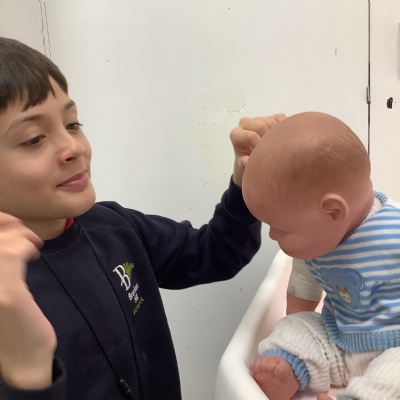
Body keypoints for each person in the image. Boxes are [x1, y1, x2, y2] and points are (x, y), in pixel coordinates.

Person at [0, 36, 285, 400]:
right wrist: (27, 369)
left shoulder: (114, 227)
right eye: (34, 139)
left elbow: (216, 253)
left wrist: (246, 182)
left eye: (72, 124)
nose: (73, 147)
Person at [242, 112, 400, 400]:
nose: (272, 235)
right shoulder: (319, 241)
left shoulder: (393, 234)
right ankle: (290, 368)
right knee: (294, 326)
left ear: (333, 211)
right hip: (339, 339)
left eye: (281, 228)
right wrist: (298, 333)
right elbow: (303, 284)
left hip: (394, 344)